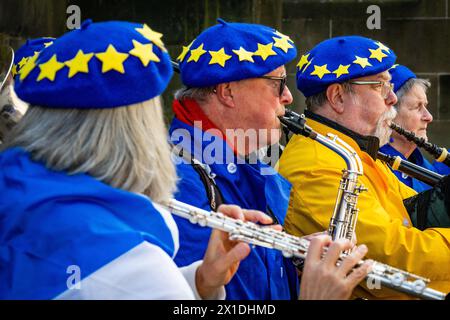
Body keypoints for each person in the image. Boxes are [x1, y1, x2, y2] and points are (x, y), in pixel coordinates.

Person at [0, 19, 268, 300]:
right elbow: (125, 285)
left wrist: (201, 283)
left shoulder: (19, 197)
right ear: (141, 126)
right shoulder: (132, 263)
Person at [170, 19, 372, 300]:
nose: (288, 97)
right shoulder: (180, 182)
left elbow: (246, 279)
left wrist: (291, 256)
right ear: (228, 91)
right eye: (278, 83)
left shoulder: (246, 164)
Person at [279, 35, 450, 299]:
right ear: (337, 97)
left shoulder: (352, 150)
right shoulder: (315, 164)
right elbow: (396, 258)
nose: (392, 98)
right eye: (381, 87)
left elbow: (412, 211)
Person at [379, 64, 450, 192]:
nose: (429, 117)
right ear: (389, 113)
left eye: (425, 106)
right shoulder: (379, 169)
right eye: (417, 107)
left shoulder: (417, 160)